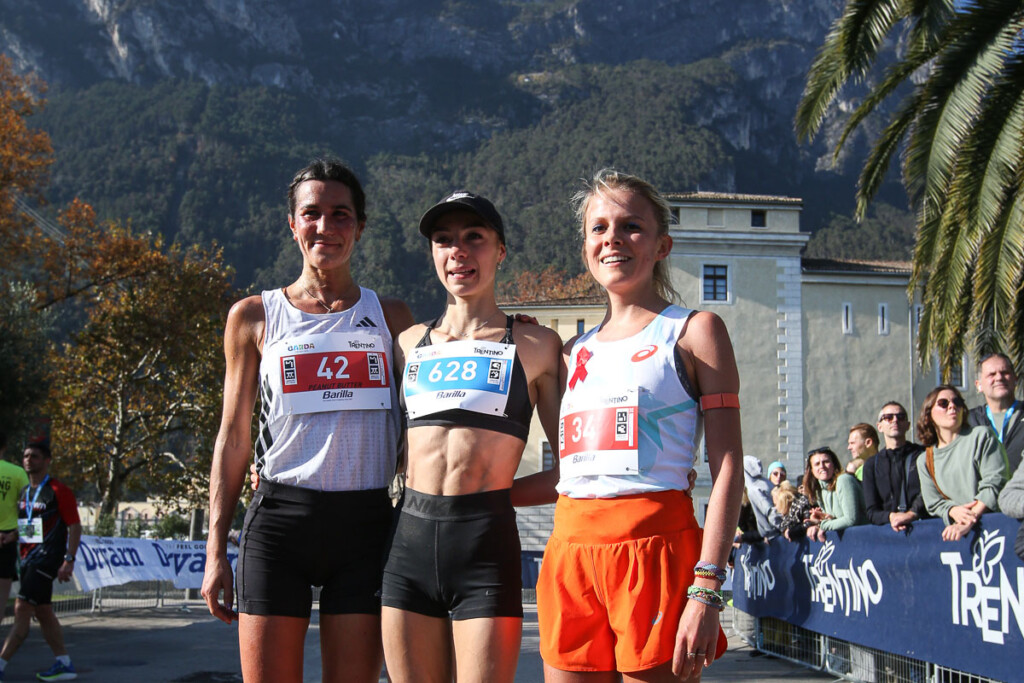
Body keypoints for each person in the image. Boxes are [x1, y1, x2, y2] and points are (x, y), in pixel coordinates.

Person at [200, 159, 415, 683]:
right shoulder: (253, 316)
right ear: (292, 224)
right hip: (279, 525)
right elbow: (232, 438)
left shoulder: (393, 318)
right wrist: (213, 551)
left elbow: (421, 423)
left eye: (341, 214)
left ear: (360, 227)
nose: (326, 227)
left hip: (366, 525)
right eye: (311, 214)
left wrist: (513, 328)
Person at [536, 169, 744, 682]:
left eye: (630, 226)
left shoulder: (696, 332)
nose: (612, 239)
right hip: (569, 554)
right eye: (598, 228)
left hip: (654, 554)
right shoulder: (570, 353)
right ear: (585, 246)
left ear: (661, 244)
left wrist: (707, 589)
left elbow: (729, 471)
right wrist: (473, 496)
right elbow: (571, 473)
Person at [382, 190, 562, 683]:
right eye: (444, 240)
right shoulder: (406, 345)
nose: (458, 251)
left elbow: (573, 469)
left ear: (500, 250)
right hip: (408, 547)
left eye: (473, 238)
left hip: (485, 548)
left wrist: (500, 496)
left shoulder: (538, 346)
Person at [0, 441, 80, 682]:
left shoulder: (58, 490)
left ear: (47, 461)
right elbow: (31, 528)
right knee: (44, 612)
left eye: (34, 456)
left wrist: (69, 560)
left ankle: (1, 665)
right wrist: (11, 536)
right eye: (25, 456)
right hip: (26, 559)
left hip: (47, 560)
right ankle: (64, 663)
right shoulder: (25, 492)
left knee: (22, 607)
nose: (28, 460)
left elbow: (74, 526)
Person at [916, 385, 1007, 542]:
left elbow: (995, 482)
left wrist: (967, 520)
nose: (952, 406)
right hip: (956, 536)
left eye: (957, 402)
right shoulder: (924, 460)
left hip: (995, 530)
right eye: (943, 403)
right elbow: (933, 503)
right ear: (929, 414)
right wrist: (952, 511)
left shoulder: (981, 436)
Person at [862, 401, 927, 532]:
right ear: (879, 426)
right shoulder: (871, 464)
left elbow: (930, 493)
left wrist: (911, 514)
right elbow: (871, 511)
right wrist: (892, 517)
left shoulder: (923, 454)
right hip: (889, 535)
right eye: (888, 418)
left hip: (923, 527)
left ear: (908, 425)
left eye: (901, 417)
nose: (895, 420)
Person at [967, 353, 1022, 475]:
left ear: (1015, 379)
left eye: (1005, 373)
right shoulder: (968, 421)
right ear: (979, 385)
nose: (999, 378)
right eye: (992, 374)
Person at [803, 447, 867, 543]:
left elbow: (851, 520)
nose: (822, 466)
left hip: (865, 539)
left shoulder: (844, 480)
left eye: (826, 462)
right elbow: (834, 521)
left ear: (834, 465)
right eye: (817, 464)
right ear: (811, 470)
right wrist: (820, 520)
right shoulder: (819, 491)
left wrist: (822, 524)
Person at [0, 434, 28, 617]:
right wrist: (15, 535)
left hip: (8, 537)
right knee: (1, 598)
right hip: (7, 538)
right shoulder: (18, 473)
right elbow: (34, 513)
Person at [742, 456, 781, 542]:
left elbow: (769, 510)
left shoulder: (753, 490)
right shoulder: (766, 482)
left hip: (774, 536)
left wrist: (782, 529)